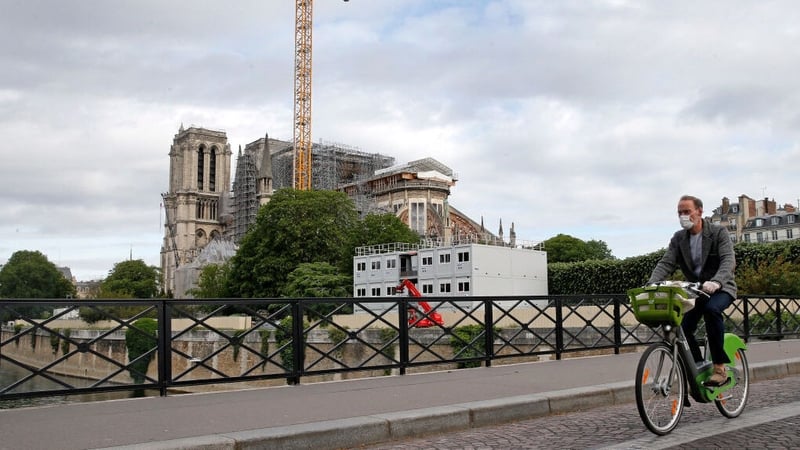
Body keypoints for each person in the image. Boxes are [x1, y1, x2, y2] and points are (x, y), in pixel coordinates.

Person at [647, 195, 737, 386]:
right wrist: (651, 284)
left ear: (699, 211)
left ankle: (720, 368)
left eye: (687, 212)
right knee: (683, 327)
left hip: (721, 288)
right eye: (679, 213)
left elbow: (728, 260)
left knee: (712, 310)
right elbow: (666, 263)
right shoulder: (678, 238)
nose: (683, 216)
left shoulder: (718, 232)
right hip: (696, 291)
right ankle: (697, 365)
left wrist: (717, 282)